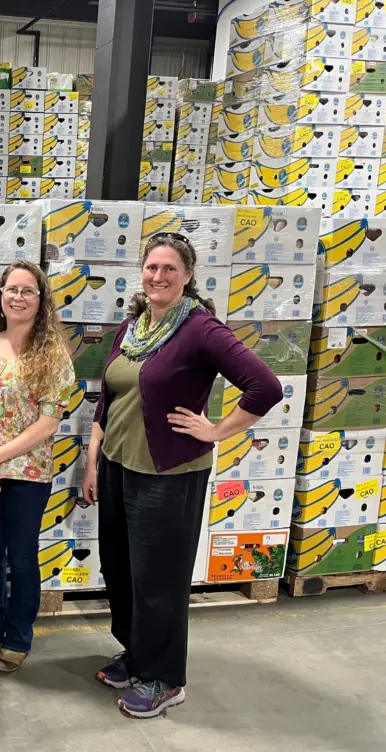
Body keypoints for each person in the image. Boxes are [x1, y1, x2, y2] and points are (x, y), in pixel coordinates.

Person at [82, 232, 282, 719]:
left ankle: (166, 678)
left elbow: (265, 386)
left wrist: (216, 430)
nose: (158, 276)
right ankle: (138, 655)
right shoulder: (133, 326)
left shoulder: (200, 329)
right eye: (152, 267)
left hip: (168, 473)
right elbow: (109, 399)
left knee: (159, 580)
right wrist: (93, 457)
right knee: (120, 570)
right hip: (119, 466)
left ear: (188, 275)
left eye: (170, 268)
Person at [0, 261, 74, 675]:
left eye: (28, 291)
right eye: (12, 289)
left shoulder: (53, 354)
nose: (18, 297)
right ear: (0, 295)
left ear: (40, 301)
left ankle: (17, 636)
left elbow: (48, 423)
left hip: (28, 473)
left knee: (22, 558)